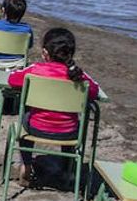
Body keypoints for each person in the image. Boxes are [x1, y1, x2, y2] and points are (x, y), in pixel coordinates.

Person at [6, 27, 99, 186]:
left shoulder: (35, 70)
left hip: (36, 127)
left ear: (44, 53)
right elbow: (94, 90)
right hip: (69, 132)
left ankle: (26, 164)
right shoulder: (78, 76)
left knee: (26, 112)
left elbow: (12, 79)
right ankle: (67, 169)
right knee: (73, 118)